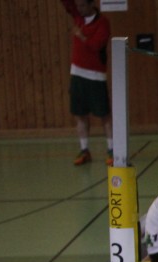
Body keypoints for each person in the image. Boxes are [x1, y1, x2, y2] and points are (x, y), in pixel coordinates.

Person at [60, 0, 113, 167]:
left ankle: (111, 150)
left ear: (91, 5)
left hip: (96, 75)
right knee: (80, 114)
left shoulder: (102, 23)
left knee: (104, 114)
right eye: (78, 5)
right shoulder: (78, 16)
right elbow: (67, 4)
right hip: (77, 73)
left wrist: (81, 36)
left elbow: (96, 45)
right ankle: (84, 150)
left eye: (83, 5)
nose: (79, 9)